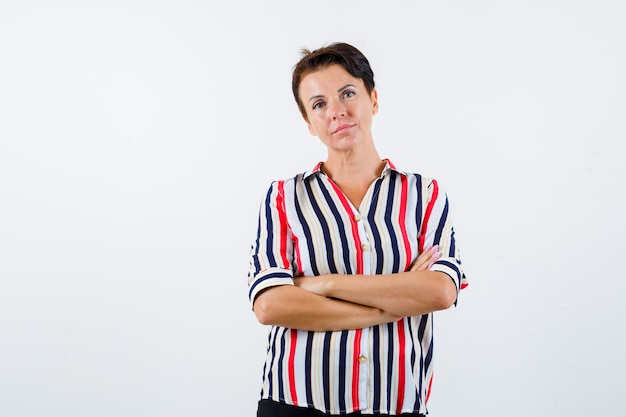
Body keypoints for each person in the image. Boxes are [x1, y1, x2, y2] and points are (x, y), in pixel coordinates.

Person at [247, 42, 468, 416]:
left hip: (395, 404)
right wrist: (393, 304)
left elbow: (440, 292)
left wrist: (324, 284)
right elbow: (270, 304)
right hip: (297, 403)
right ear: (308, 122)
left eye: (348, 93)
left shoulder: (424, 195)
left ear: (374, 99)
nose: (336, 111)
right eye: (319, 104)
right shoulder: (284, 198)